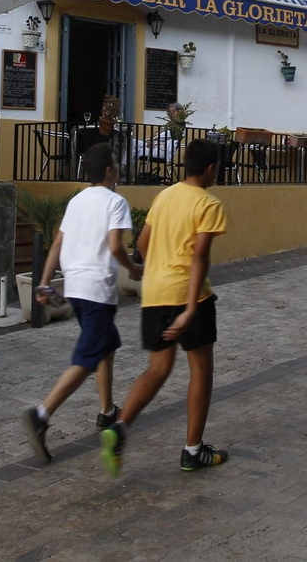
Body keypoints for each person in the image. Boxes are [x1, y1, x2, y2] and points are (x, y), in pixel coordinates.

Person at [100, 137, 228, 476]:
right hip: (191, 297)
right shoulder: (208, 203)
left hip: (154, 294)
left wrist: (151, 272)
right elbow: (200, 255)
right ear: (212, 168)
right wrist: (188, 309)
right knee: (201, 369)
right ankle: (192, 450)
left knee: (158, 368)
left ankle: (120, 426)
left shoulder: (163, 196)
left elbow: (142, 242)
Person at [20, 143, 142, 463]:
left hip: (75, 287)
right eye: (116, 162)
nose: (118, 168)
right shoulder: (116, 202)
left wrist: (44, 281)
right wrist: (133, 269)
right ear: (109, 171)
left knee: (107, 344)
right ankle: (41, 415)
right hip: (97, 290)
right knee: (86, 359)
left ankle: (105, 411)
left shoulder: (76, 201)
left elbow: (57, 244)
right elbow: (116, 246)